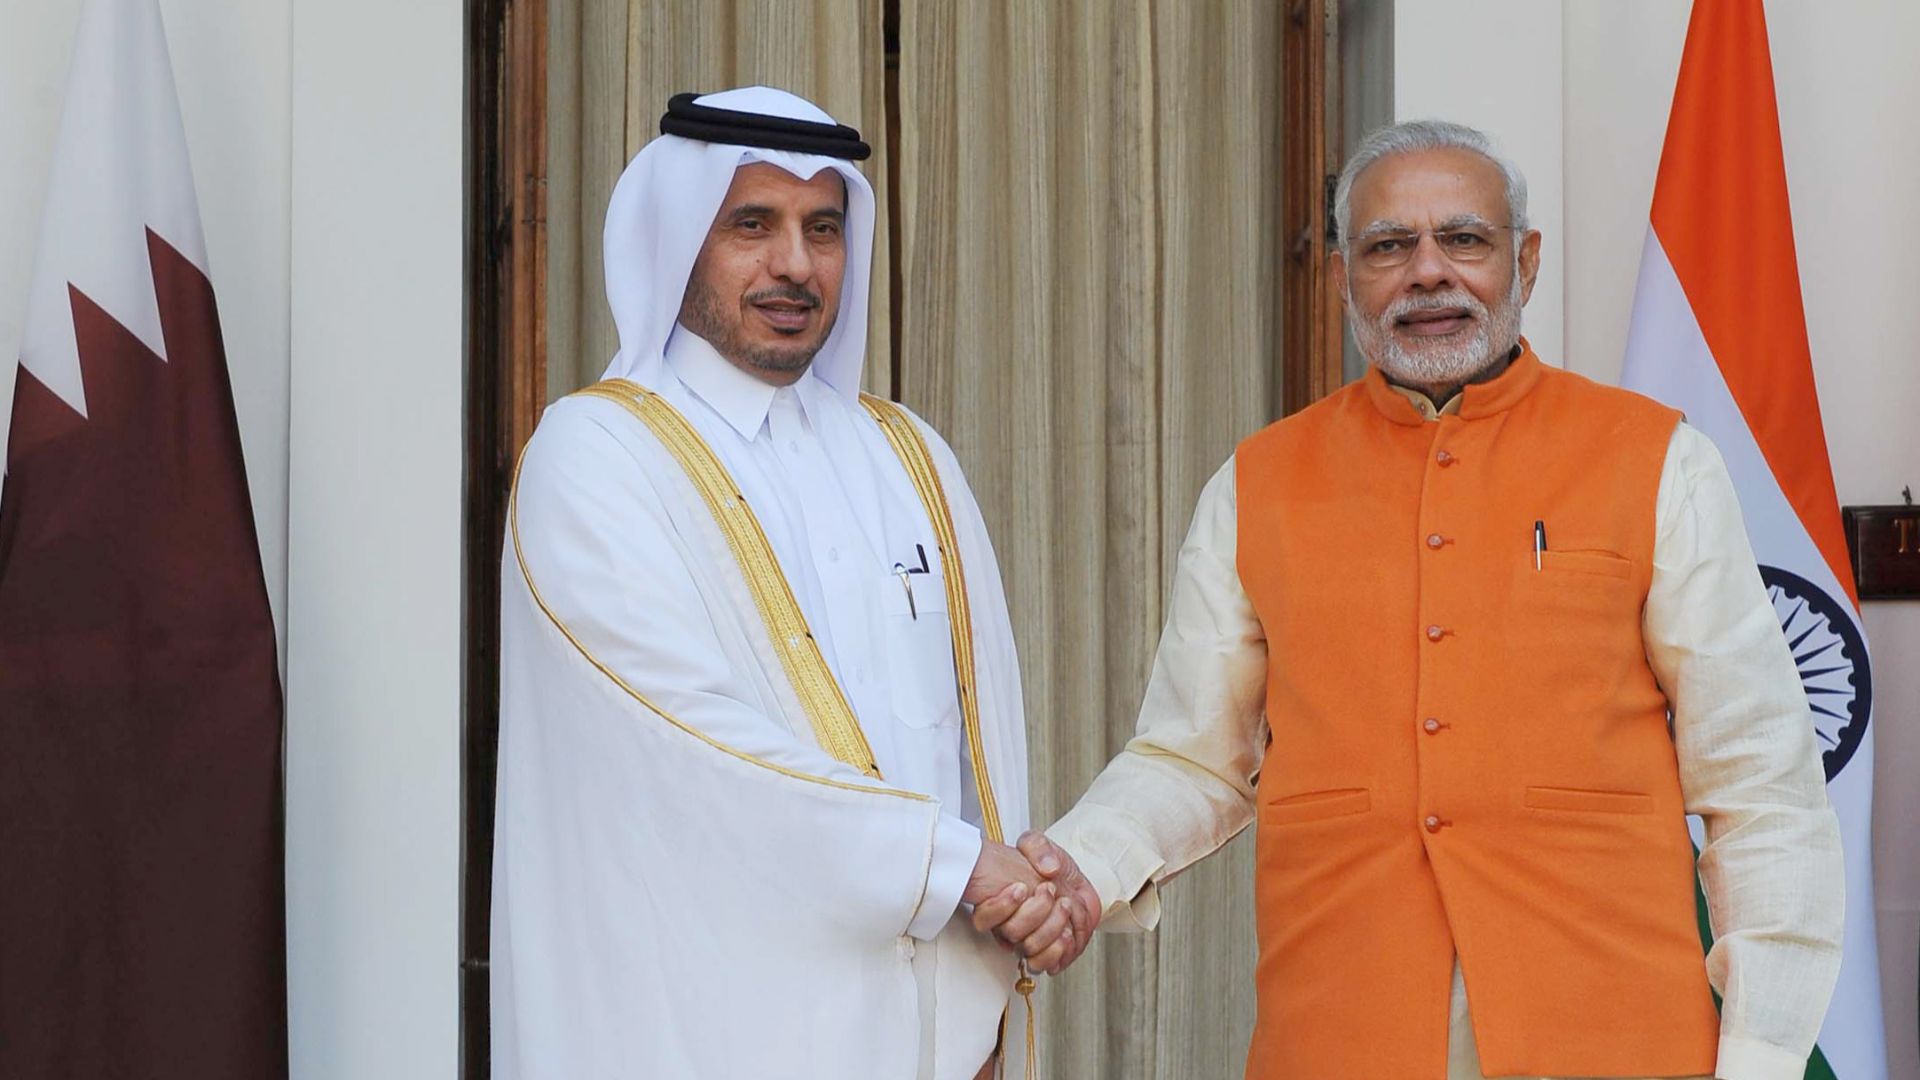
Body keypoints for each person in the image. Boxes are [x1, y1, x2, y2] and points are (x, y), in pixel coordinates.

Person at [981, 119, 1844, 1080]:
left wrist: (1764, 1052)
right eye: (1390, 247)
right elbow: (1193, 755)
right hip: (1344, 1031)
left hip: (1613, 1031)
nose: (1428, 273)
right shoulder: (1259, 482)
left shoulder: (1658, 461)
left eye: (1464, 240)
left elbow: (1758, 778)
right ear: (1345, 276)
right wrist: (1081, 873)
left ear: (1526, 260)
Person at [491, 87, 1082, 1080]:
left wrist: (1032, 895)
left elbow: (982, 740)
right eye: (751, 225)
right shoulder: (598, 453)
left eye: (824, 228)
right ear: (679, 240)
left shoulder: (910, 456)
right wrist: (962, 869)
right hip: (704, 1027)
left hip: (938, 1030)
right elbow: (688, 742)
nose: (795, 266)